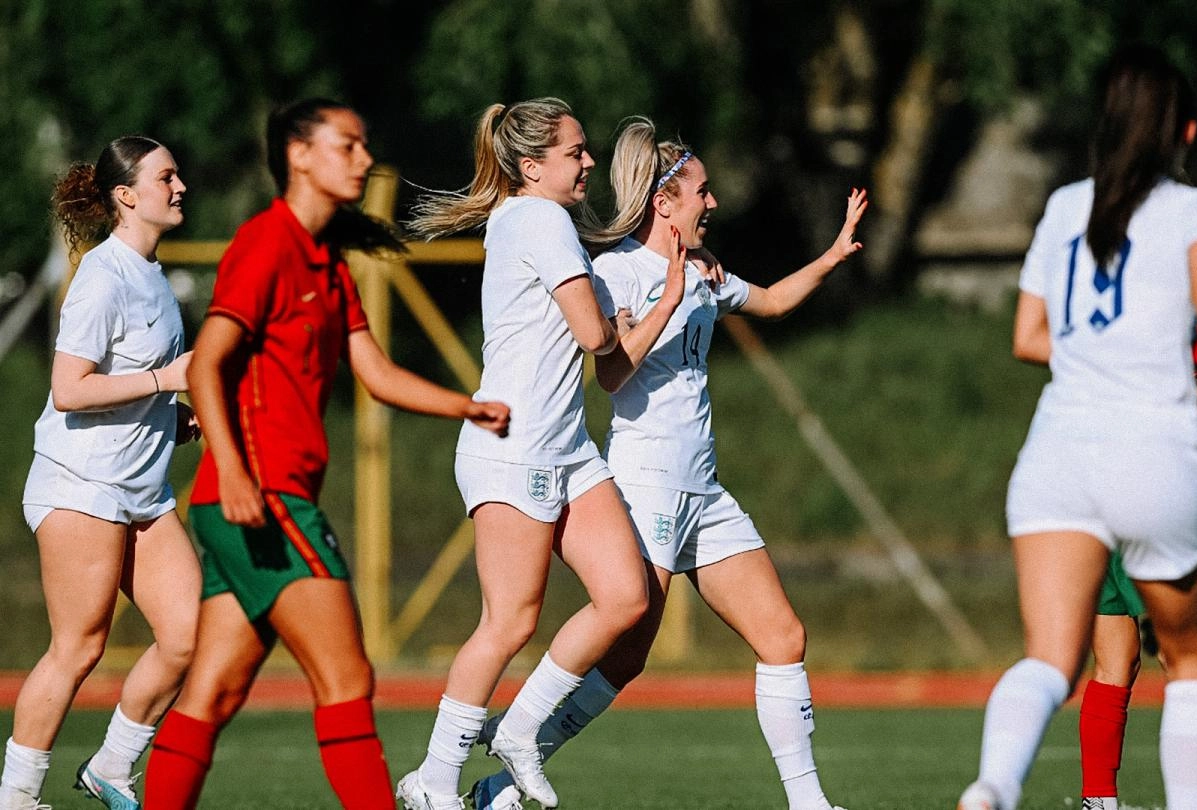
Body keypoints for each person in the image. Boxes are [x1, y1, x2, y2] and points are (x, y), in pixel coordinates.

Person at [466, 118, 866, 810]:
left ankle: (810, 804)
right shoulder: (616, 270)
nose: (712, 203)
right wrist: (671, 296)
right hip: (643, 481)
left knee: (783, 634)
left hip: (703, 490)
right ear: (664, 202)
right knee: (623, 655)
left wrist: (831, 257)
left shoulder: (706, 270)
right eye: (701, 192)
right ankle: (509, 757)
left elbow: (768, 301)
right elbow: (611, 374)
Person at [956, 45, 1197, 810]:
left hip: (1054, 453)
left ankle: (993, 784)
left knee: (1052, 659)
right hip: (1150, 454)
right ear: (1184, 133)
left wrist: (1100, 350)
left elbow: (1027, 338)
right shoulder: (1196, 212)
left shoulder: (1063, 207)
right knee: (1190, 656)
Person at [141, 99, 509, 810]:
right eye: (348, 145)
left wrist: (464, 404)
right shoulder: (265, 242)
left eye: (364, 144)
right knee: (347, 681)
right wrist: (238, 470)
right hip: (263, 502)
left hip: (253, 503)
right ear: (299, 155)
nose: (364, 159)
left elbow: (374, 372)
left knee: (211, 696)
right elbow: (207, 365)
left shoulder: (326, 263)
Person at [396, 98, 649, 810]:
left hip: (565, 445)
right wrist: (619, 321)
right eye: (576, 152)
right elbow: (595, 338)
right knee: (508, 622)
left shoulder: (532, 217)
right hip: (516, 446)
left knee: (626, 596)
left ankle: (520, 730)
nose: (588, 162)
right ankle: (435, 782)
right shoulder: (539, 219)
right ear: (533, 166)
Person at [0, 137, 198, 810]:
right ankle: (17, 797)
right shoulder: (103, 276)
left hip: (143, 490)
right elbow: (69, 390)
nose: (180, 187)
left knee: (185, 634)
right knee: (78, 648)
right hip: (81, 485)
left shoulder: (155, 275)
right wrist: (167, 378)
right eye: (166, 177)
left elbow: (134, 390)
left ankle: (112, 765)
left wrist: (176, 419)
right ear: (126, 195)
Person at [1076, 324, 1197, 810]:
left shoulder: (1097, 312)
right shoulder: (1180, 312)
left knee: (1114, 663)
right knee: (1189, 657)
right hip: (1156, 498)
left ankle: (1099, 801)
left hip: (1086, 493)